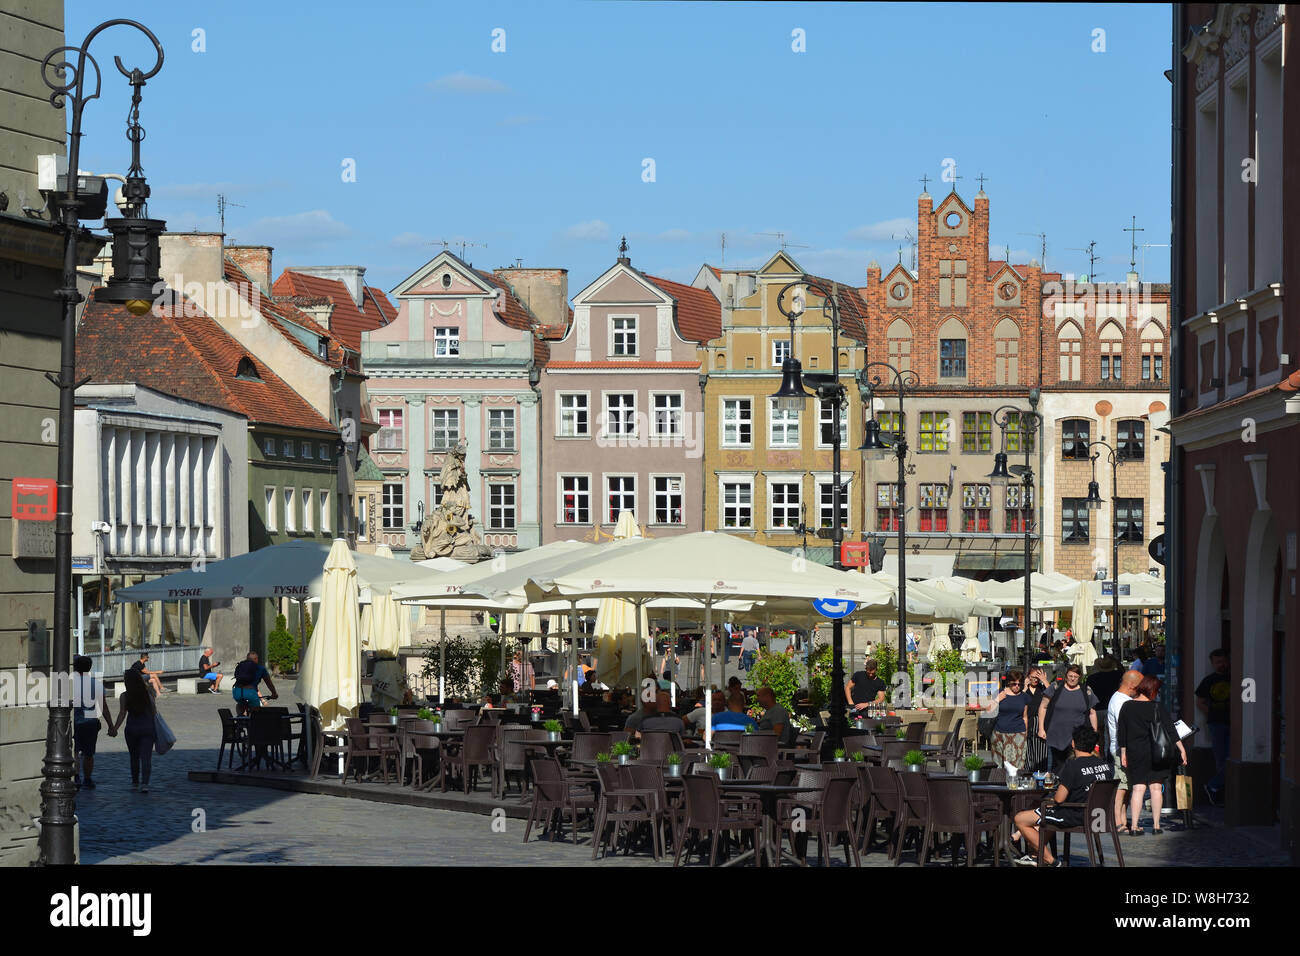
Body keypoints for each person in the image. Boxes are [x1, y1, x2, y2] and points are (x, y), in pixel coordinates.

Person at [1012, 724, 1111, 866]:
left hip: (1076, 815)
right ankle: (1035, 855)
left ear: (1073, 743)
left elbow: (1059, 798)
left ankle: (1051, 861)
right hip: (1098, 816)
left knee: (1020, 818)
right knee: (1049, 815)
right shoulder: (1105, 765)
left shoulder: (1073, 766)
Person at [1118, 674, 1186, 834]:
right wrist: (1182, 749)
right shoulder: (1157, 707)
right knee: (1156, 788)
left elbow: (1122, 732)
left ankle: (1134, 826)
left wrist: (1123, 752)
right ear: (1152, 690)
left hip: (1136, 752)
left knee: (1138, 789)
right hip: (1157, 753)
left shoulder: (1127, 706)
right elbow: (1171, 730)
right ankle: (1156, 826)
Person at [1037, 664, 1099, 771]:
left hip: (1078, 736)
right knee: (1058, 766)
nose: (1072, 679)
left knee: (1077, 765)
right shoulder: (1055, 687)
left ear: (1079, 678)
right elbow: (1043, 707)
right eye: (1070, 676)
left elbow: (1092, 713)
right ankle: (1057, 785)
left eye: (1075, 677)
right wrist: (1041, 728)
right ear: (1066, 676)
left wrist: (1094, 732)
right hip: (1056, 734)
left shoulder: (1086, 691)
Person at [106, 667, 157, 793]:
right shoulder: (148, 692)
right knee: (146, 757)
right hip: (147, 728)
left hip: (132, 729)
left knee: (134, 757)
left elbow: (122, 713)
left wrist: (115, 728)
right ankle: (145, 784)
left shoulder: (125, 696)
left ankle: (135, 782)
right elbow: (154, 711)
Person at [1107, 669, 1143, 833]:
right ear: (1131, 685)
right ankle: (1117, 821)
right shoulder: (1121, 702)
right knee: (1121, 786)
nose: (1140, 690)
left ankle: (1123, 820)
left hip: (1123, 749)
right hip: (1121, 749)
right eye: (1139, 687)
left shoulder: (1122, 699)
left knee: (1126, 786)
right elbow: (1125, 728)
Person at [1195, 648, 1230, 806]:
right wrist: (1213, 712)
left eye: (1223, 661)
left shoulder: (1235, 677)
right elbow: (1200, 702)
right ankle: (1217, 790)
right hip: (1216, 724)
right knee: (1221, 758)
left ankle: (1214, 786)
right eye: (1217, 662)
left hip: (1232, 723)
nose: (1221, 665)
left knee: (1228, 759)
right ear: (1212, 664)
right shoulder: (1209, 681)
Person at [984, 670, 1030, 769]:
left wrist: (1025, 733)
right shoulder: (1000, 693)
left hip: (1018, 734)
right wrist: (998, 699)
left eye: (1019, 684)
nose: (1017, 686)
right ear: (1009, 682)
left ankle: (1014, 784)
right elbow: (988, 710)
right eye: (1014, 684)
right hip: (999, 733)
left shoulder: (1024, 697)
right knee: (999, 764)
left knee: (1015, 765)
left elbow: (1025, 716)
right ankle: (999, 783)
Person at [71, 655, 104, 789]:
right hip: (90, 722)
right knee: (89, 754)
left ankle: (76, 776)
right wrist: (112, 726)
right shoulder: (95, 683)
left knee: (75, 751)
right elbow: (103, 706)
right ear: (89, 667)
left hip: (74, 722)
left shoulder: (70, 683)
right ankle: (88, 779)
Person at [1023, 667, 1051, 773]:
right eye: (1032, 677)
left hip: (1040, 722)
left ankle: (1041, 776)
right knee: (1027, 752)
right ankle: (1027, 775)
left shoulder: (1042, 689)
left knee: (1041, 754)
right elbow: (1018, 699)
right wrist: (1025, 687)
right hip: (1027, 722)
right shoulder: (1024, 689)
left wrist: (1044, 680)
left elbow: (1054, 695)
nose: (1035, 680)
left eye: (1037, 678)